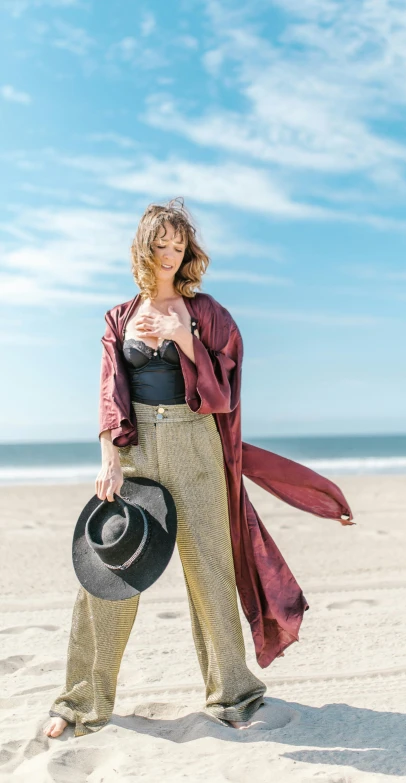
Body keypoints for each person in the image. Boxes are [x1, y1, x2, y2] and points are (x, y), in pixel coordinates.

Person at [43, 197, 354, 739]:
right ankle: (80, 702)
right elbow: (108, 393)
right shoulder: (119, 317)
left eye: (178, 244)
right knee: (109, 573)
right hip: (138, 449)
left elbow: (222, 396)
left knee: (209, 571)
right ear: (144, 247)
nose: (170, 253)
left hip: (195, 445)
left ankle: (234, 695)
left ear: (188, 251)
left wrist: (185, 337)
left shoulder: (207, 312)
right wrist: (109, 457)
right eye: (160, 243)